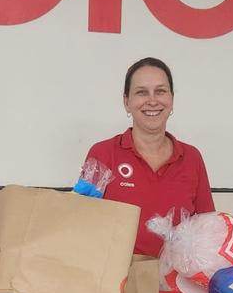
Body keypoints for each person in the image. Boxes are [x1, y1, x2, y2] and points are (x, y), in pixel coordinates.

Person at [84, 57, 214, 257]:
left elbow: (207, 230)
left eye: (160, 91)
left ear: (171, 99)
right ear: (127, 102)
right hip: (119, 283)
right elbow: (82, 224)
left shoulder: (192, 158)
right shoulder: (102, 154)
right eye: (141, 92)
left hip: (177, 283)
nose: (152, 100)